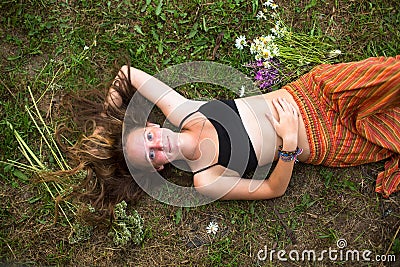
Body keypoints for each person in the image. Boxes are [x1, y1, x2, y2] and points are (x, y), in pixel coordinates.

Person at [59, 56, 400, 214]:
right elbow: (272, 189)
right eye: (151, 155)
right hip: (325, 139)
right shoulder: (205, 180)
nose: (158, 145)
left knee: (391, 77)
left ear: (151, 126)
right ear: (158, 168)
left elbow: (127, 73)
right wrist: (290, 145)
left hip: (317, 92)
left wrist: (107, 124)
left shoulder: (184, 110)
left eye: (148, 138)